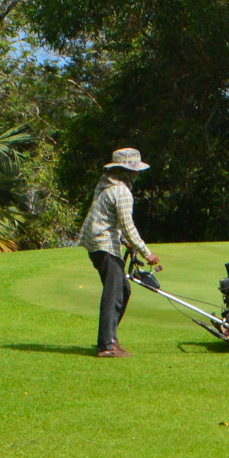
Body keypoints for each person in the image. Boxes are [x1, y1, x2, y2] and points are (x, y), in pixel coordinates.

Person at [78, 148, 160, 358]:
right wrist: (146, 253)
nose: (137, 174)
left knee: (123, 289)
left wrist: (127, 242)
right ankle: (106, 345)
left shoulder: (105, 183)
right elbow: (127, 225)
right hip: (103, 244)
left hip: (98, 242)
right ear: (126, 171)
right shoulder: (121, 191)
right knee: (114, 292)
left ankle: (111, 339)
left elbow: (113, 221)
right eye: (134, 171)